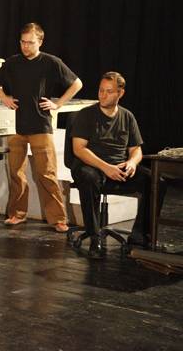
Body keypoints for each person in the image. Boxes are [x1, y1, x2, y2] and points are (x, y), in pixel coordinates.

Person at [0, 22, 83, 233]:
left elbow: (77, 83)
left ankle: (58, 219)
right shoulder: (13, 62)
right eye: (23, 42)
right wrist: (4, 98)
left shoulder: (50, 62)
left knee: (46, 173)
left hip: (41, 124)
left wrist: (58, 104)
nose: (25, 46)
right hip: (16, 125)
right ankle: (17, 213)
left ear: (40, 41)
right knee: (16, 173)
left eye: (30, 42)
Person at [71, 72, 165, 258]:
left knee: (156, 182)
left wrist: (132, 162)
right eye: (101, 91)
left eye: (109, 91)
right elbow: (79, 149)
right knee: (88, 177)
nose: (103, 95)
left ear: (120, 93)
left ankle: (139, 236)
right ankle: (95, 237)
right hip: (92, 166)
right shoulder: (86, 115)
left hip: (118, 168)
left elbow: (136, 150)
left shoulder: (127, 116)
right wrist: (106, 167)